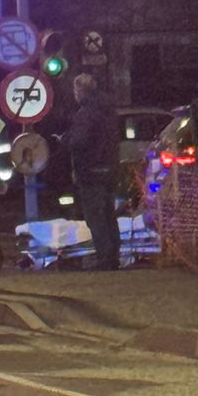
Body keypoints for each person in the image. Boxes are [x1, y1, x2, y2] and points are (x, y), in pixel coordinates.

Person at [63, 73, 122, 271]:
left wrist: (65, 141)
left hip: (90, 171)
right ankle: (113, 256)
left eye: (75, 90)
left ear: (80, 91)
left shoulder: (86, 113)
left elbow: (80, 142)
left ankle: (104, 258)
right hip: (109, 169)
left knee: (95, 217)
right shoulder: (108, 111)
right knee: (108, 215)